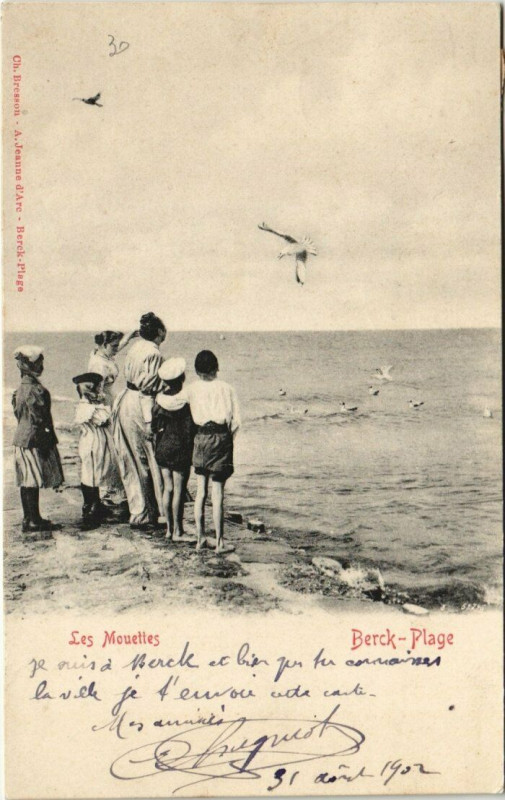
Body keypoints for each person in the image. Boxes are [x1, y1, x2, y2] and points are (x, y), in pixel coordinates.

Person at [112, 312, 166, 529]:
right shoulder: (153, 353)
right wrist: (149, 419)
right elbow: (148, 388)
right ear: (159, 332)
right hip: (141, 403)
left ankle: (139, 510)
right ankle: (153, 511)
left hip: (126, 399)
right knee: (149, 457)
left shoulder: (136, 347)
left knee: (131, 457)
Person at [186, 350, 240, 553]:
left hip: (201, 438)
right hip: (221, 437)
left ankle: (200, 539)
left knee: (200, 492)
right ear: (217, 367)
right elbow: (236, 422)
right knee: (218, 493)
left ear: (197, 370)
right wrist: (228, 440)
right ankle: (219, 542)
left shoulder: (191, 389)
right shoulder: (227, 388)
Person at [12, 345, 64, 535]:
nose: (42, 366)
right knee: (32, 480)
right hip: (34, 439)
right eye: (40, 363)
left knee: (26, 480)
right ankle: (33, 520)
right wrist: (47, 443)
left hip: (21, 438)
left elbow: (19, 415)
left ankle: (29, 518)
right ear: (31, 365)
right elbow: (40, 420)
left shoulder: (19, 390)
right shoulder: (36, 390)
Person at [152, 358, 195, 540]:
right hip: (180, 449)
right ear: (182, 377)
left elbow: (154, 426)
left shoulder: (159, 399)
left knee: (167, 488)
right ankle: (178, 531)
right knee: (178, 490)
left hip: (163, 447)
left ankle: (169, 530)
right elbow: (191, 427)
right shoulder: (186, 400)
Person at [73, 371, 116, 530]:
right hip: (93, 443)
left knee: (92, 473)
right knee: (91, 474)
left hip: (92, 442)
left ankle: (95, 503)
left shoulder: (88, 405)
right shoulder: (88, 408)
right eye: (98, 388)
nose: (100, 391)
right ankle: (90, 510)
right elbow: (104, 420)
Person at [87, 330, 138, 405]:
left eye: (117, 345)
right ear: (105, 345)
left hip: (110, 398)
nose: (117, 349)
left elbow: (117, 346)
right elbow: (95, 393)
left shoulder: (101, 353)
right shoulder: (99, 365)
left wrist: (128, 337)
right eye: (114, 346)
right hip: (104, 404)